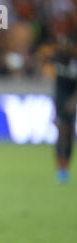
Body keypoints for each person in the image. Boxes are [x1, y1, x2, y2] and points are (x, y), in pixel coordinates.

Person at [52, 35, 76, 184]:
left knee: (69, 135)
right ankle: (61, 169)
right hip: (60, 103)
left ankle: (66, 168)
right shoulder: (59, 61)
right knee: (62, 133)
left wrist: (73, 101)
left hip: (71, 104)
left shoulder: (74, 65)